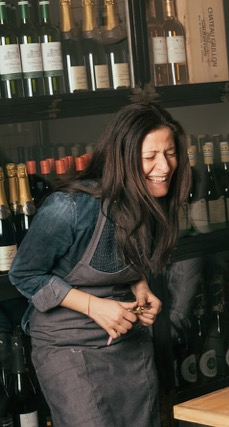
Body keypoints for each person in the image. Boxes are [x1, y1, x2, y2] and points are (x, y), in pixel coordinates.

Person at [9, 102, 191, 426]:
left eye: (170, 152)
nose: (164, 165)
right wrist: (95, 307)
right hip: (68, 347)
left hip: (127, 342)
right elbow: (24, 274)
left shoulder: (152, 201)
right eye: (150, 157)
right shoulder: (71, 207)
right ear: (123, 159)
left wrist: (140, 286)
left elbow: (125, 255)